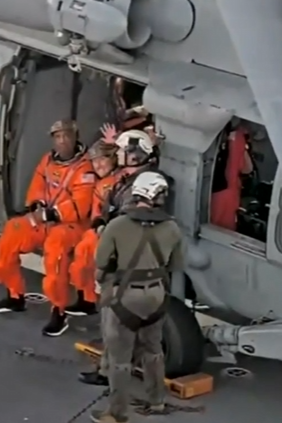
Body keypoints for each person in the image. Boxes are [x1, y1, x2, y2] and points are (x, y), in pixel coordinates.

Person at [0, 119, 95, 337]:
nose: (62, 141)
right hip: (45, 219)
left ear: (75, 137)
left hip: (71, 225)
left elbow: (81, 205)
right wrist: (37, 205)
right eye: (58, 137)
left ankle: (58, 312)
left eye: (67, 136)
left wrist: (51, 214)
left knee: (55, 252)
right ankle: (15, 296)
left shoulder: (85, 168)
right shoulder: (47, 161)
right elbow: (37, 187)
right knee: (12, 232)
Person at [91, 171, 183, 423]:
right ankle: (157, 401)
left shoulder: (117, 225)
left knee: (120, 359)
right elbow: (176, 264)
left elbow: (101, 261)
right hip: (156, 296)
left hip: (125, 297)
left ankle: (117, 413)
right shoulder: (172, 228)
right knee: (153, 350)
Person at [79, 128, 159, 387]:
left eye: (124, 151)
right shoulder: (128, 180)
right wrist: (100, 221)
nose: (119, 155)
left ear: (135, 155)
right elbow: (109, 207)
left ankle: (112, 374)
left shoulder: (141, 187)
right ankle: (109, 369)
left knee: (117, 322)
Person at [67, 140, 123, 317]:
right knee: (82, 258)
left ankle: (91, 302)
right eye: (94, 161)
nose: (98, 165)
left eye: (102, 159)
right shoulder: (102, 181)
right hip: (98, 229)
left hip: (111, 232)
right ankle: (87, 299)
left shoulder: (114, 182)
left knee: (86, 256)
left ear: (113, 158)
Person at [209, 120, 253, 230]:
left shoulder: (215, 137)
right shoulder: (239, 139)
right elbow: (247, 169)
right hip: (229, 191)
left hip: (213, 188)